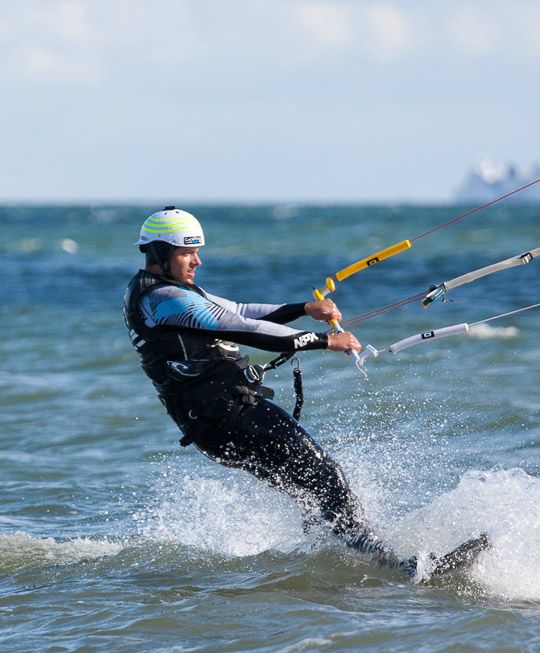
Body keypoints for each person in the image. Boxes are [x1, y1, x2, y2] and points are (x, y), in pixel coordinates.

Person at [123, 207, 408, 571]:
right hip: (226, 415)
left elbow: (241, 310)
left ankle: (336, 561)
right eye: (186, 253)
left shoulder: (170, 290)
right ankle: (393, 565)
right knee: (324, 474)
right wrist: (323, 341)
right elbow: (242, 328)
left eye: (197, 251)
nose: (197, 260)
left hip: (216, 419)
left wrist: (304, 309)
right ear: (160, 255)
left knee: (310, 489)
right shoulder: (163, 300)